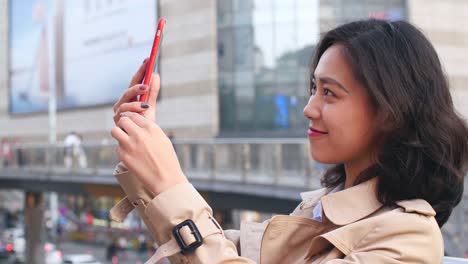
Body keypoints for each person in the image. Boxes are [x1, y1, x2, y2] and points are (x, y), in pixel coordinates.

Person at [109, 19, 468, 263]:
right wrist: (144, 161)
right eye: (313, 88)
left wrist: (171, 182)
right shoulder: (323, 208)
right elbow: (219, 248)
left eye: (330, 93)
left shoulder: (407, 237)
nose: (309, 109)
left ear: (390, 110)